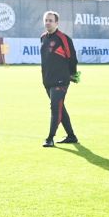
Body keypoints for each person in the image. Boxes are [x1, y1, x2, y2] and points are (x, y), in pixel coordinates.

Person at [39, 11, 79, 147]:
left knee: (55, 108)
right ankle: (71, 136)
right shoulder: (43, 38)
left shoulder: (64, 38)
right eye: (46, 20)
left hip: (61, 80)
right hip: (47, 81)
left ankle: (50, 138)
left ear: (57, 23)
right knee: (60, 108)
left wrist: (73, 74)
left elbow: (72, 58)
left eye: (51, 20)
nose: (48, 23)